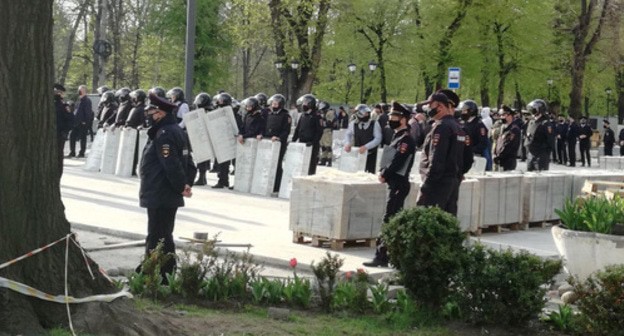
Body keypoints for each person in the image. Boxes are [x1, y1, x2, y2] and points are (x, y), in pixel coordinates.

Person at [139, 93, 195, 282]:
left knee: (157, 236)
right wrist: (187, 183)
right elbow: (189, 162)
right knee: (164, 235)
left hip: (161, 192)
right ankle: (163, 273)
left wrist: (182, 186)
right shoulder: (175, 130)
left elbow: (171, 163)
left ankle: (156, 275)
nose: (149, 115)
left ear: (160, 113)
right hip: (164, 192)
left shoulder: (164, 134)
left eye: (152, 111)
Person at [363, 101, 415, 268]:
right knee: (391, 219)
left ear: (404, 119)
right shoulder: (397, 136)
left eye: (394, 116)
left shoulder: (406, 138)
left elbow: (398, 161)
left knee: (389, 219)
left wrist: (385, 173)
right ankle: (388, 254)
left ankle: (382, 256)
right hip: (394, 184)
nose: (391, 119)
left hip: (399, 184)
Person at [417, 92, 467, 216]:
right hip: (452, 182)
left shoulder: (442, 127)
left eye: (430, 106)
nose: (428, 109)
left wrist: (428, 184)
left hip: (438, 184)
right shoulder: (457, 127)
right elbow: (463, 159)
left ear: (439, 107)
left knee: (430, 221)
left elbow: (437, 158)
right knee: (448, 220)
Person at [212, 92, 242, 189]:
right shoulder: (217, 111)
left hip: (232, 139)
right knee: (222, 162)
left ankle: (237, 182)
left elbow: (237, 126)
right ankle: (223, 181)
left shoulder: (233, 113)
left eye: (221, 100)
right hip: (222, 139)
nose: (219, 102)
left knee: (235, 162)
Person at [264, 94, 292, 193]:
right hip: (268, 141)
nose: (274, 105)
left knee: (277, 164)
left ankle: (277, 186)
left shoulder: (285, 115)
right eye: (273, 103)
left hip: (279, 142)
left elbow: (286, 130)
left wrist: (279, 138)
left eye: (276, 104)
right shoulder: (270, 114)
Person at [343, 104, 383, 173]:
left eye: (368, 113)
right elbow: (348, 134)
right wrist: (347, 143)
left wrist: (366, 147)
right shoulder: (353, 124)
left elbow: (378, 138)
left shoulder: (374, 123)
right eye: (365, 113)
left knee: (370, 175)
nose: (367, 115)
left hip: (371, 155)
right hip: (358, 154)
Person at [292, 94, 323, 175]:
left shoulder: (316, 116)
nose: (304, 105)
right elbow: (298, 129)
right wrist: (293, 140)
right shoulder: (303, 115)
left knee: (311, 165)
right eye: (303, 103)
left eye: (306, 103)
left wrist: (313, 142)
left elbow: (319, 131)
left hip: (311, 144)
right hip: (302, 142)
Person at [525, 99, 555, 171]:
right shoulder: (531, 122)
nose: (532, 111)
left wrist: (544, 155)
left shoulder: (545, 124)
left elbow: (550, 141)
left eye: (534, 109)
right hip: (530, 154)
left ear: (540, 110)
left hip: (540, 156)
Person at [458, 100, 488, 168]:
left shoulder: (479, 125)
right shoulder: (464, 123)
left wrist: (470, 150)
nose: (462, 112)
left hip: (475, 157)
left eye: (464, 111)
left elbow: (483, 143)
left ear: (471, 111)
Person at [192, 92, 214, 186]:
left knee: (203, 159)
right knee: (201, 158)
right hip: (201, 136)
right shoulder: (202, 110)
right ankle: (202, 178)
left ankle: (202, 177)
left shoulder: (208, 111)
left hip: (206, 136)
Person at [68, 85, 93, 158]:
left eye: (81, 90)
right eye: (79, 90)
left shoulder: (87, 100)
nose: (79, 91)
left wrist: (85, 121)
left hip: (82, 122)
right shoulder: (79, 100)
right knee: (72, 136)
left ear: (84, 91)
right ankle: (72, 152)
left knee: (83, 138)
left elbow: (88, 112)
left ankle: (82, 153)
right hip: (76, 122)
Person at [54, 84, 74, 176]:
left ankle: (58, 174)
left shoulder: (63, 106)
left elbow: (70, 120)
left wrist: (65, 132)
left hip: (59, 134)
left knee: (58, 155)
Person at [318, 101, 336, 167]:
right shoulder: (323, 113)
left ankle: (329, 161)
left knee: (328, 146)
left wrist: (323, 119)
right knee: (323, 146)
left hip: (327, 131)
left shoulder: (330, 112)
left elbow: (329, 122)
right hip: (323, 130)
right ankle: (323, 160)